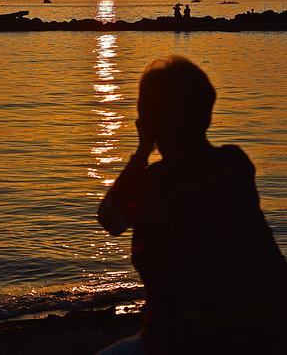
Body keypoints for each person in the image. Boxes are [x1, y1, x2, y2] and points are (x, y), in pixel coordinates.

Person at [97, 55, 287, 354]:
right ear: (206, 114)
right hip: (268, 327)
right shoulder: (235, 164)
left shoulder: (152, 184)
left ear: (148, 122)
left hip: (187, 339)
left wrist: (143, 150)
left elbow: (109, 219)